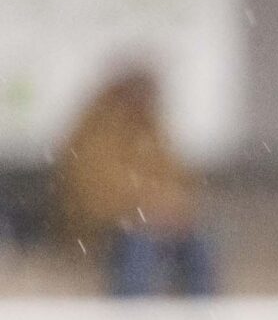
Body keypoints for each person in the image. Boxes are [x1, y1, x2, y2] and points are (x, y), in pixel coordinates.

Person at [53, 67, 217, 296]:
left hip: (153, 223)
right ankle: (130, 318)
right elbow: (93, 192)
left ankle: (203, 317)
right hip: (106, 229)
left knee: (199, 243)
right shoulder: (97, 131)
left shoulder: (153, 132)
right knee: (139, 245)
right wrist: (141, 209)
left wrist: (172, 209)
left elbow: (177, 179)